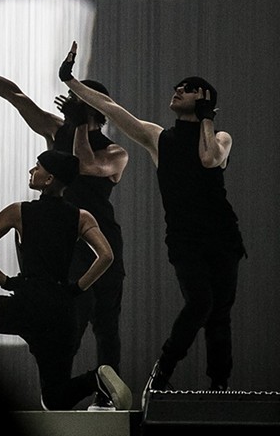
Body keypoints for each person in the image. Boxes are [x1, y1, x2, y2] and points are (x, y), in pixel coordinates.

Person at [58, 43, 246, 406]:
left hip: (223, 236)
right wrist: (71, 82)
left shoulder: (220, 137)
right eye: (178, 86)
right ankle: (163, 371)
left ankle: (220, 388)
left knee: (220, 313)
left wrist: (208, 119)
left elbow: (209, 159)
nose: (178, 90)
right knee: (201, 302)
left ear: (205, 99)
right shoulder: (159, 137)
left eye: (188, 88)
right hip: (185, 238)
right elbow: (112, 108)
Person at [0, 30, 129, 410]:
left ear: (95, 108)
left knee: (105, 322)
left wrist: (79, 127)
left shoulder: (115, 151)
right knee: (64, 321)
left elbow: (84, 165)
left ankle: (108, 396)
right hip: (59, 241)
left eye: (78, 100)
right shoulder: (58, 130)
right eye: (72, 98)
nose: (70, 103)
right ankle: (63, 389)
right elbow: (16, 96)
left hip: (100, 237)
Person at [0, 149, 132, 411]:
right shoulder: (82, 217)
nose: (31, 171)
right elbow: (106, 256)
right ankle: (96, 378)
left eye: (37, 167)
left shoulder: (19, 212)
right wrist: (76, 288)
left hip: (27, 305)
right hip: (61, 313)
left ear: (49, 179)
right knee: (54, 398)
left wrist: (6, 282)